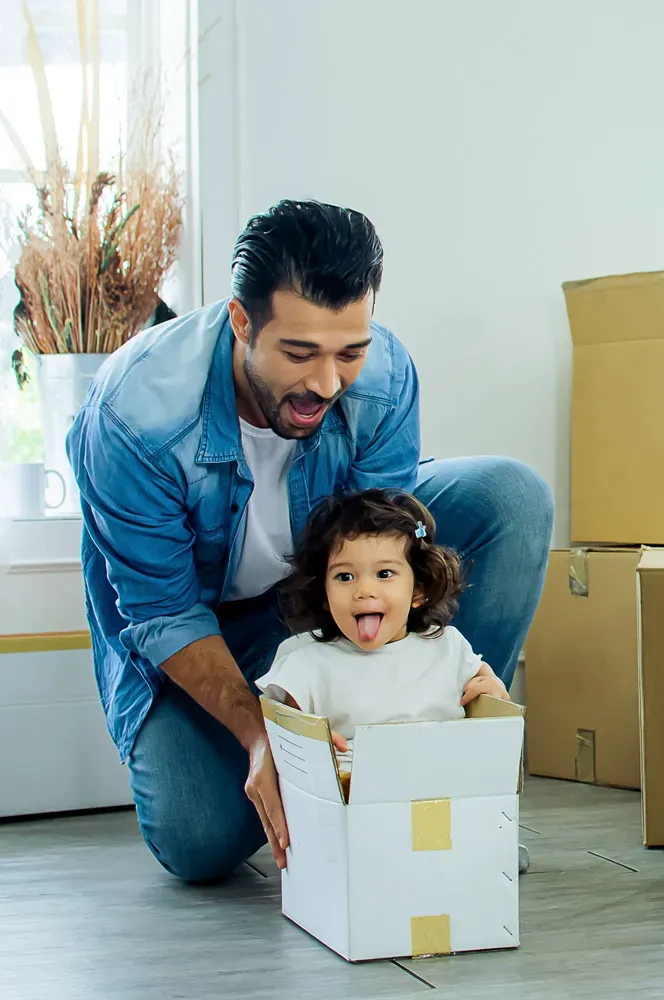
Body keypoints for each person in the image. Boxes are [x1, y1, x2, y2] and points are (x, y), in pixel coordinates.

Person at [66, 199, 553, 883]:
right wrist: (270, 739)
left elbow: (383, 541)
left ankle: (433, 775)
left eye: (349, 351)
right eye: (299, 353)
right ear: (241, 322)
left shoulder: (381, 376)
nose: (326, 383)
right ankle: (328, 774)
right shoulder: (133, 417)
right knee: (198, 840)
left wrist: (434, 673)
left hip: (324, 586)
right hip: (200, 626)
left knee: (512, 498)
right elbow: (163, 611)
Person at [256, 488, 513, 748]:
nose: (364, 591)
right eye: (345, 577)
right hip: (353, 782)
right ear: (324, 594)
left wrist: (493, 690)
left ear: (418, 591)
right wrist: (310, 743)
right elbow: (287, 736)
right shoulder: (307, 663)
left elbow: (487, 685)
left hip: (442, 779)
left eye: (384, 574)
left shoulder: (448, 647)